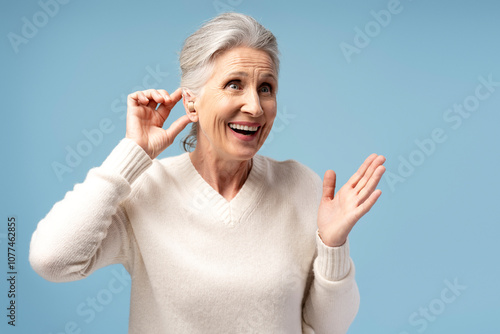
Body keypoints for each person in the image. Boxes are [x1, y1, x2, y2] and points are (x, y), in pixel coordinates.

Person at [29, 12, 386, 333]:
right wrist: (132, 154)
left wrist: (333, 245)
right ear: (191, 102)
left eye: (266, 88)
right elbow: (53, 260)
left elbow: (328, 327)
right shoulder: (145, 188)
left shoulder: (300, 185)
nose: (255, 106)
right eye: (234, 84)